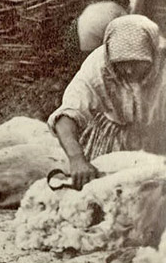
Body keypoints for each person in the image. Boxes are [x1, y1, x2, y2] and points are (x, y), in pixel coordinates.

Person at [48, 14, 166, 190]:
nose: (127, 69)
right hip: (114, 141)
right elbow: (67, 117)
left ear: (152, 54)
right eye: (121, 63)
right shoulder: (98, 66)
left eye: (135, 62)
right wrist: (76, 159)